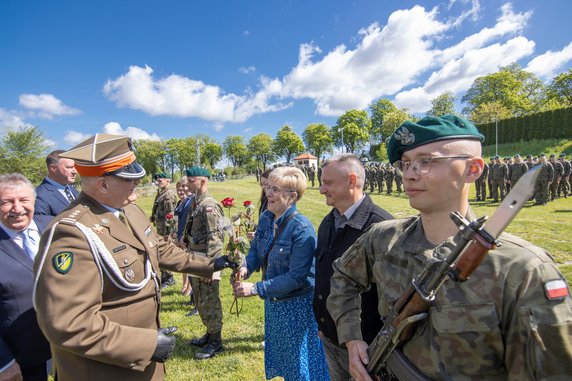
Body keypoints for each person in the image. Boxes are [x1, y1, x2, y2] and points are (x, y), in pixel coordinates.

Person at [327, 115, 572, 381]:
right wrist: (352, 339)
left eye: (426, 161)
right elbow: (343, 278)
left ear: (473, 169)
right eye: (406, 164)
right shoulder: (383, 238)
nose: (409, 174)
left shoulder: (522, 271)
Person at [33, 134, 234, 381]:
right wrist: (145, 345)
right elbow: (67, 322)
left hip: (141, 363)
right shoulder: (71, 233)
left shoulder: (127, 209)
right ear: (103, 185)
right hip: (106, 368)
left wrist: (211, 265)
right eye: (131, 184)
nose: (136, 193)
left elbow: (159, 248)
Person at [233, 166, 330, 381]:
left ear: (292, 196)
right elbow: (257, 250)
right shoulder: (267, 217)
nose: (268, 193)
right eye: (269, 187)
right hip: (275, 304)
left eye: (275, 189)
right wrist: (246, 267)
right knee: (285, 361)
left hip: (296, 307)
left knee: (300, 365)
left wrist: (256, 288)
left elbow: (297, 277)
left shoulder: (302, 229)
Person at [313, 154, 393, 381]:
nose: (321, 189)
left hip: (364, 349)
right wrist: (324, 324)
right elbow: (324, 276)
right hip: (331, 339)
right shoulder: (328, 222)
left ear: (351, 181)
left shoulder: (381, 227)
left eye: (328, 183)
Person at [0, 174, 51, 381]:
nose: (17, 208)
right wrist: (4, 363)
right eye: (7, 202)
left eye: (23, 200)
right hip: (21, 360)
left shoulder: (55, 227)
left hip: (70, 349)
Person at [183, 167, 227, 360]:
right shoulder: (196, 202)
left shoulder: (209, 205)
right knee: (201, 299)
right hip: (196, 258)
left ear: (202, 181)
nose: (187, 184)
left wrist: (211, 269)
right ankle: (209, 335)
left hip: (206, 261)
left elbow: (216, 238)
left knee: (210, 300)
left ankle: (216, 342)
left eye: (191, 180)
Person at [173, 178, 197, 317]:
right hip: (181, 237)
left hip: (187, 239)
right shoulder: (181, 202)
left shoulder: (191, 202)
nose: (182, 190)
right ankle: (189, 291)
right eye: (179, 188)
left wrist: (183, 237)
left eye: (185, 186)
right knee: (185, 264)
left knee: (190, 266)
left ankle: (192, 295)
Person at [34, 150, 78, 223]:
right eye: (69, 167)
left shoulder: (73, 191)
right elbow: (43, 227)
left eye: (74, 167)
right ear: (53, 168)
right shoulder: (40, 196)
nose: (75, 171)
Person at [151, 172, 177, 288]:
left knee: (164, 252)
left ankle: (169, 277)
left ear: (168, 181)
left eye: (160, 181)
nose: (158, 182)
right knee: (160, 251)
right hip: (160, 228)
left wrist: (169, 233)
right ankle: (165, 275)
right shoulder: (162, 193)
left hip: (165, 230)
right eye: (157, 181)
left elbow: (170, 215)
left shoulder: (168, 195)